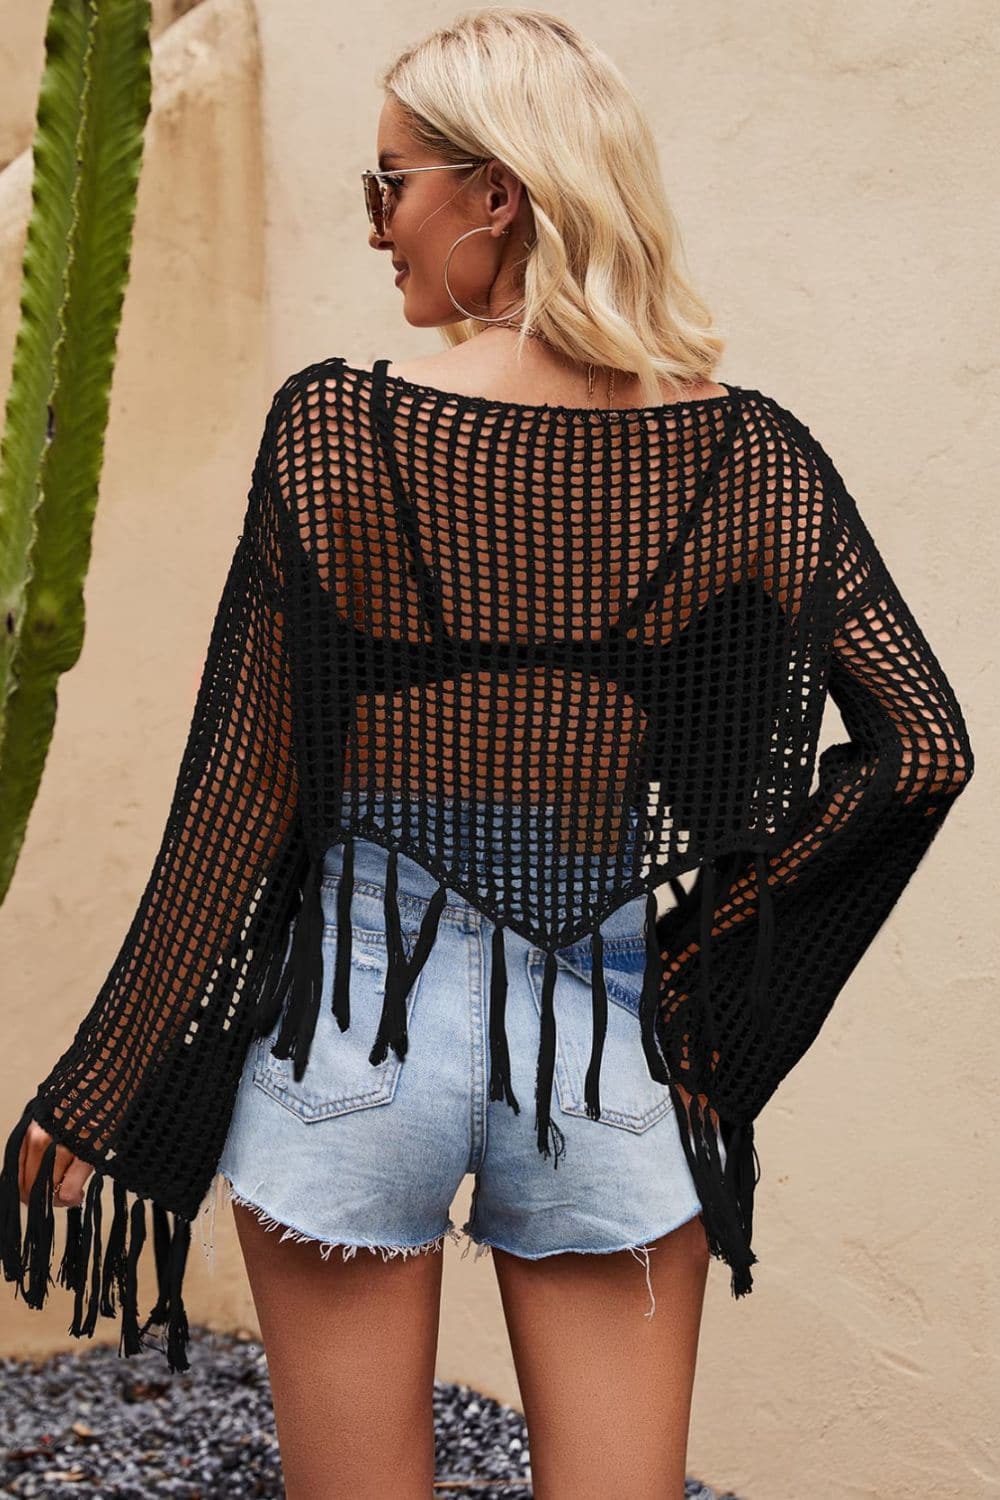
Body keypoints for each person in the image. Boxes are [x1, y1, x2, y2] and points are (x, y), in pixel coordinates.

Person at [7, 10, 973, 1500]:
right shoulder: (745, 458)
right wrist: (706, 967)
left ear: (495, 194)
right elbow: (922, 751)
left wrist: (108, 1080)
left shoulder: (339, 430)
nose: (375, 221)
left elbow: (247, 790)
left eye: (389, 182)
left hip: (350, 1036)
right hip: (601, 1040)